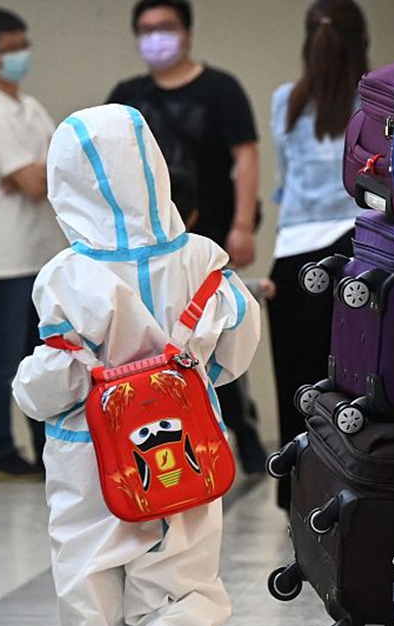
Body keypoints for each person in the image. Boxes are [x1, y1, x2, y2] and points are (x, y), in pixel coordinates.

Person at [12, 104, 260, 626]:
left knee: (90, 584)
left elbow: (55, 380)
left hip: (88, 459)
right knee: (183, 577)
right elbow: (237, 349)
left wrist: (31, 387)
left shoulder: (65, 277)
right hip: (187, 446)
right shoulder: (202, 259)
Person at [107, 0, 269, 478]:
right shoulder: (126, 94)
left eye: (166, 27)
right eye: (146, 29)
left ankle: (242, 431)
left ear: (187, 33)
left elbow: (246, 157)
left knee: (212, 335)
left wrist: (242, 225)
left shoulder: (220, 90)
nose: (156, 36)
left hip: (207, 232)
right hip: (143, 241)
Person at [268, 0, 367, 509]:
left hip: (292, 260)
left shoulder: (285, 100)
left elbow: (286, 182)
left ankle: (295, 493)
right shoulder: (376, 99)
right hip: (357, 256)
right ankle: (357, 487)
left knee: (298, 386)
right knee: (355, 388)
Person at [0, 7, 62, 480]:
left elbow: (57, 165)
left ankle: (44, 446)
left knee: (40, 354)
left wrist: (41, 169)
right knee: (3, 358)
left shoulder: (31, 107)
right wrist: (41, 170)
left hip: (39, 251)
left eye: (23, 45)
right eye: (9, 50)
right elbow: (34, 183)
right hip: (6, 256)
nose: (19, 56)